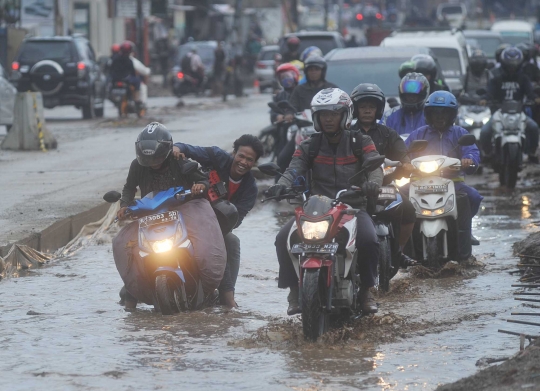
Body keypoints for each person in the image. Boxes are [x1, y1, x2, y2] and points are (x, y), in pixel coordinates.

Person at [267, 88, 383, 315]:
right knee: (283, 238)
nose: (328, 119)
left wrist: (373, 184)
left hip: (352, 207)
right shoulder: (310, 144)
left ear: (345, 115)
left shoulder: (361, 140)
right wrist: (281, 184)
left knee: (369, 240)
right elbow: (294, 168)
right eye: (323, 115)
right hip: (317, 209)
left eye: (333, 114)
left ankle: (367, 291)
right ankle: (293, 291)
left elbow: (375, 166)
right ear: (316, 118)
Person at [114, 122, 227, 310]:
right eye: (147, 159)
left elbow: (202, 179)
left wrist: (200, 186)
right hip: (149, 214)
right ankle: (132, 293)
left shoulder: (179, 160)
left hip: (184, 212)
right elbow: (129, 187)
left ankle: (217, 291)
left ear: (166, 151)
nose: (152, 163)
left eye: (157, 158)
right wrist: (124, 205)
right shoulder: (137, 166)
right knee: (125, 247)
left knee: (204, 248)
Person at [171, 135, 263, 308]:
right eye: (241, 156)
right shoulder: (217, 157)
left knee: (232, 241)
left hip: (218, 228)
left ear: (255, 163)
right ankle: (134, 290)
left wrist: (214, 230)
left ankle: (227, 295)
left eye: (250, 160)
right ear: (234, 153)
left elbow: (236, 220)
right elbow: (187, 148)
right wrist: (177, 149)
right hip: (186, 214)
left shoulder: (250, 189)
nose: (243, 162)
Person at [404, 91, 483, 256]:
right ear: (429, 114)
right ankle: (399, 242)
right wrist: (403, 163)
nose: (439, 117)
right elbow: (403, 152)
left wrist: (468, 159)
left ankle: (465, 231)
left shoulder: (460, 133)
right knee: (396, 198)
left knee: (474, 197)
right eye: (435, 112)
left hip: (452, 183)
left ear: (451, 114)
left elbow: (472, 152)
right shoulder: (419, 134)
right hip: (419, 183)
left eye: (444, 112)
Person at [350, 83, 417, 267]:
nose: (367, 111)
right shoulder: (346, 134)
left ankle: (399, 251)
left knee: (408, 209)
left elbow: (401, 153)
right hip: (354, 189)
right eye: (363, 107)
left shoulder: (388, 133)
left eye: (371, 107)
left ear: (378, 110)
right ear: (355, 109)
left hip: (383, 187)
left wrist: (407, 164)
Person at [480, 47, 540, 163]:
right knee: (485, 132)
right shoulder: (496, 79)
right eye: (509, 65)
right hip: (499, 113)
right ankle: (487, 154)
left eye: (515, 65)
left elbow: (530, 93)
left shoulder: (524, 79)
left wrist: (536, 98)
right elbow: (489, 93)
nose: (512, 68)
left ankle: (532, 153)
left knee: (533, 128)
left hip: (519, 112)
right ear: (503, 64)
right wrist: (484, 99)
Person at [110, 41, 142, 107]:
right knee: (137, 81)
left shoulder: (115, 59)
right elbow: (133, 72)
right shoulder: (129, 61)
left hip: (115, 79)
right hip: (126, 79)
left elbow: (111, 70)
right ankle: (137, 100)